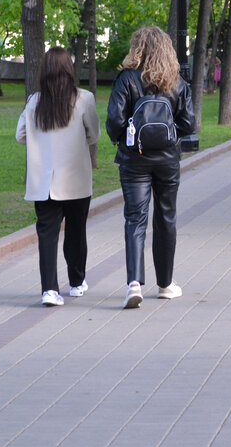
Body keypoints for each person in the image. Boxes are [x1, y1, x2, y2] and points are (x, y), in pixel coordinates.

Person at [105, 26, 196, 309]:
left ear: (138, 48)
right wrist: (169, 137)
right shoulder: (176, 82)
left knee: (135, 218)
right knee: (166, 218)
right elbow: (188, 123)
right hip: (168, 160)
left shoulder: (127, 79)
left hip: (134, 160)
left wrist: (126, 140)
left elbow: (114, 121)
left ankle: (134, 283)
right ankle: (166, 284)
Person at [16, 47, 100, 307]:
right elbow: (94, 134)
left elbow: (20, 135)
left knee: (47, 235)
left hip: (44, 182)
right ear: (69, 70)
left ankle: (49, 290)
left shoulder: (34, 101)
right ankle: (76, 282)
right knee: (76, 232)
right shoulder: (84, 99)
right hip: (76, 178)